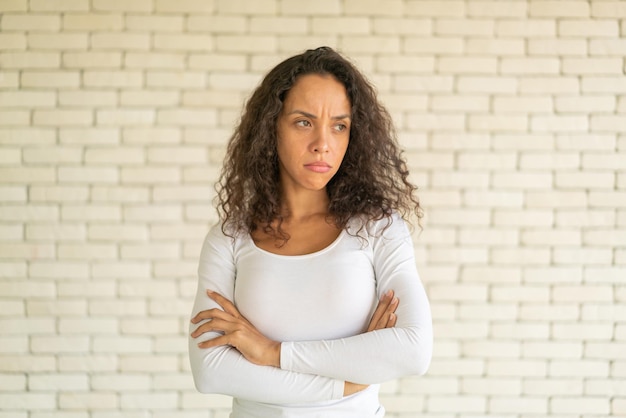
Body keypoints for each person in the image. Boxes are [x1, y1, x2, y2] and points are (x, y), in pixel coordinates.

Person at [188, 46, 433, 418]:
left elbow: (413, 350)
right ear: (272, 127)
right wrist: (350, 380)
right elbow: (212, 372)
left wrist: (271, 352)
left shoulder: (379, 230)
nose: (323, 143)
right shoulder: (229, 237)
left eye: (339, 125)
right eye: (304, 122)